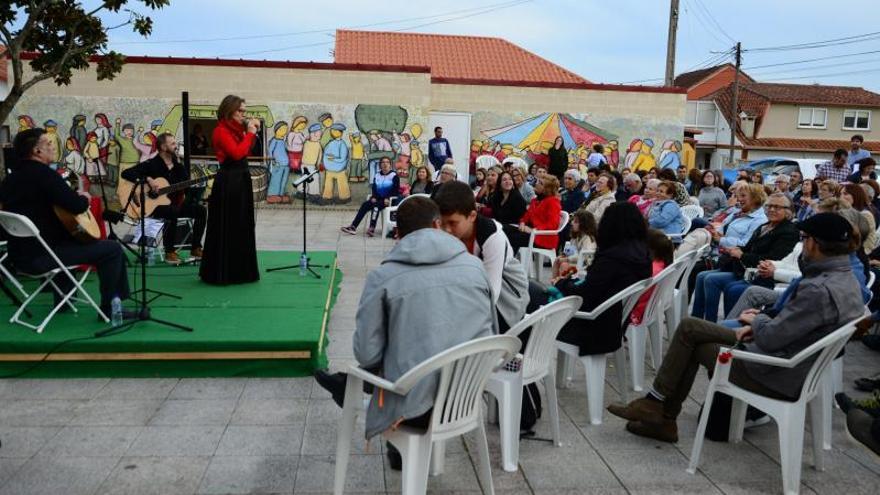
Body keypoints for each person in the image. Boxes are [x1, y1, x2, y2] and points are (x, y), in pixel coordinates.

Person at [609, 212, 865, 443]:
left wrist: (757, 321)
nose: (802, 244)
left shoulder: (818, 288)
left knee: (691, 337)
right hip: (792, 363)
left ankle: (660, 410)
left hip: (774, 370)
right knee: (690, 328)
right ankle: (657, 409)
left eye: (804, 238)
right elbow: (795, 326)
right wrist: (762, 321)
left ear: (814, 244)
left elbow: (772, 338)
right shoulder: (846, 280)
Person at [314, 196, 496, 469]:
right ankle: (348, 387)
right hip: (467, 398)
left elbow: (366, 354)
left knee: (390, 359)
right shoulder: (474, 267)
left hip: (415, 409)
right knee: (413, 348)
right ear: (438, 225)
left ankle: (346, 387)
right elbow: (491, 330)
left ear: (397, 233)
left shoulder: (383, 278)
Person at [0, 128, 132, 318]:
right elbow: (76, 206)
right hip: (43, 257)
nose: (53, 147)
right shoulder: (46, 176)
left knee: (64, 241)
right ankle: (112, 308)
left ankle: (64, 301)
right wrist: (84, 197)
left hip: (19, 257)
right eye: (49, 143)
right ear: (37, 151)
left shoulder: (10, 179)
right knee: (112, 249)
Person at [551, 202, 652, 356]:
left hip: (592, 327)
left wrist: (561, 283)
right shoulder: (642, 252)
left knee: (531, 300)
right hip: (613, 322)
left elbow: (584, 294)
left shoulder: (612, 258)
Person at [434, 181, 529, 332]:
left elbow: (492, 292)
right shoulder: (445, 232)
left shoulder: (492, 236)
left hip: (506, 297)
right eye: (441, 223)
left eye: (453, 223)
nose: (446, 229)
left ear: (472, 216)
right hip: (468, 292)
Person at [692, 193, 798, 322]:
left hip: (764, 276)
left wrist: (741, 254)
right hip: (746, 269)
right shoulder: (765, 226)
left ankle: (727, 328)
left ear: (788, 211)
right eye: (769, 206)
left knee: (728, 287)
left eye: (777, 207)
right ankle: (705, 322)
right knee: (704, 276)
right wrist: (736, 250)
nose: (771, 209)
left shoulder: (788, 231)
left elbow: (773, 258)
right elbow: (748, 247)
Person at [199, 95, 260, 285]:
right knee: (229, 224)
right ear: (229, 111)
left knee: (242, 224)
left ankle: (242, 270)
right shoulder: (221, 131)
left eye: (245, 111)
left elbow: (247, 151)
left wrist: (251, 134)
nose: (244, 114)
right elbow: (236, 153)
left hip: (241, 179)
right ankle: (224, 272)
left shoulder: (236, 130)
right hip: (229, 181)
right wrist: (249, 133)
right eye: (240, 111)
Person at [120, 133, 206, 265]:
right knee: (171, 211)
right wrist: (147, 179)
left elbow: (187, 188)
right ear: (163, 146)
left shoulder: (179, 167)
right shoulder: (151, 164)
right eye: (172, 144)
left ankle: (195, 248)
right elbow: (126, 173)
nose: (175, 146)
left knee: (200, 210)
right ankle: (169, 251)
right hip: (154, 207)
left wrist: (196, 193)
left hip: (175, 205)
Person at [341, 156, 399, 237]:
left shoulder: (394, 175)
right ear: (380, 165)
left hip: (388, 200)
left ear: (390, 165)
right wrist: (373, 197)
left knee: (376, 206)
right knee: (365, 205)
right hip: (377, 198)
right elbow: (374, 188)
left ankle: (372, 228)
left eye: (387, 162)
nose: (385, 164)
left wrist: (387, 198)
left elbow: (395, 190)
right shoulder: (377, 175)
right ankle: (353, 227)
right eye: (383, 162)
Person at [503, 175, 562, 252]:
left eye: (540, 183)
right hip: (531, 233)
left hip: (543, 238)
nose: (536, 184)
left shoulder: (553, 202)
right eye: (538, 181)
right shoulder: (535, 200)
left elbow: (552, 224)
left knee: (511, 237)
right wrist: (522, 223)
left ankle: (507, 260)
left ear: (547, 189)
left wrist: (533, 230)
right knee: (503, 229)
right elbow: (526, 216)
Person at [629, 229, 674, 326]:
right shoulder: (661, 264)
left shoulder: (650, 270)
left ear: (649, 248)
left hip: (635, 313)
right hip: (646, 309)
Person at [552, 209, 598, 278]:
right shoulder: (576, 236)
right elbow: (570, 251)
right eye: (573, 220)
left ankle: (561, 284)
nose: (572, 223)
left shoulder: (588, 238)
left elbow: (584, 256)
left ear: (584, 224)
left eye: (576, 222)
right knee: (557, 260)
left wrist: (567, 259)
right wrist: (564, 255)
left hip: (584, 266)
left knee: (564, 265)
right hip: (576, 262)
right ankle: (555, 281)